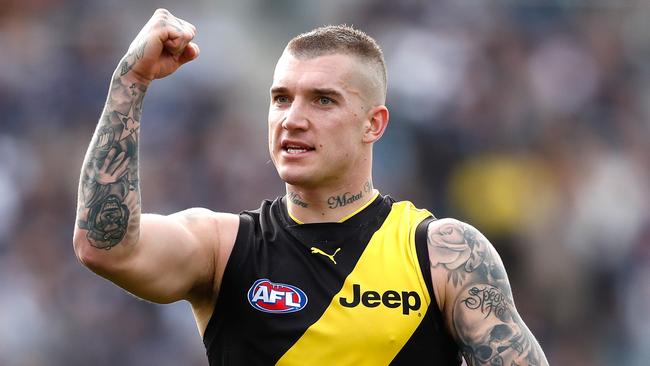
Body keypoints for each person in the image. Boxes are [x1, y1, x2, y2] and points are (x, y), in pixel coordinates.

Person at [73, 9, 549, 366]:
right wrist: (131, 81)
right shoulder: (222, 248)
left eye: (323, 100)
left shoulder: (441, 252)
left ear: (373, 124)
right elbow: (104, 247)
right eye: (281, 98)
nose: (292, 119)